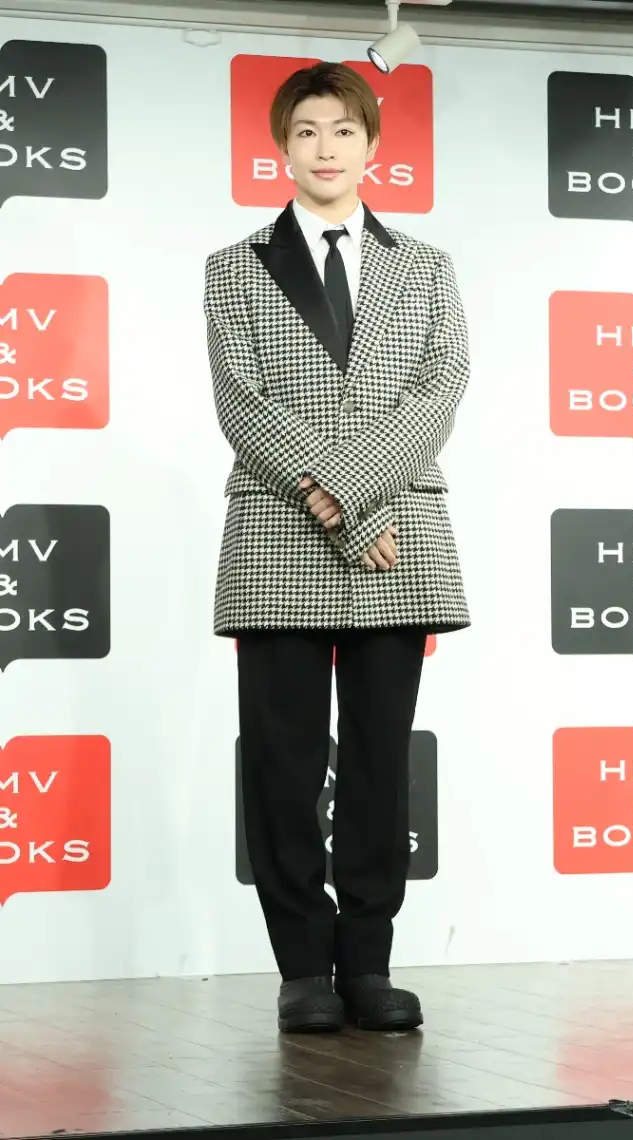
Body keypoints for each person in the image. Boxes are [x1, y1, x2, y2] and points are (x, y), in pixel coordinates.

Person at [203, 60, 470, 1034]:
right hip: (282, 532)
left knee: (378, 763)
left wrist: (350, 495)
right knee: (281, 761)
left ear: (372, 146)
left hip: (399, 534)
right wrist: (343, 507)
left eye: (343, 131)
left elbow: (440, 390)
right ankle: (302, 970)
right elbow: (241, 403)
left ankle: (367, 963)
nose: (325, 149)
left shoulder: (426, 266)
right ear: (282, 146)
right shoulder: (234, 265)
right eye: (307, 131)